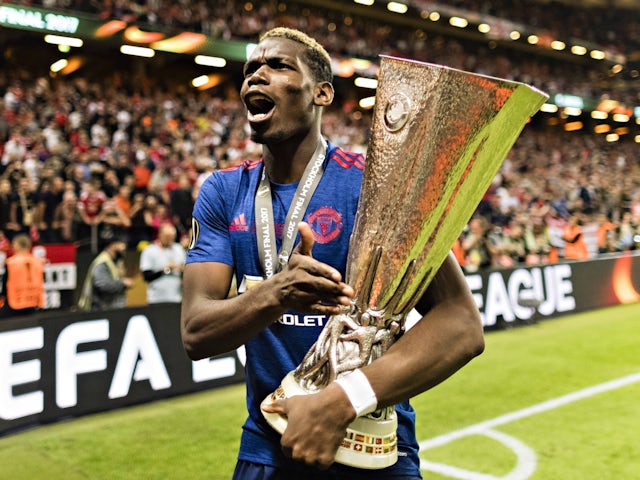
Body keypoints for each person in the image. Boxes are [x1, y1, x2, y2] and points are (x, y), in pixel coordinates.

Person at [180, 27, 484, 480]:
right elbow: (195, 333)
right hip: (269, 445)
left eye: (277, 66)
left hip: (372, 447)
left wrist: (341, 402)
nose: (254, 78)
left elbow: (460, 324)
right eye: (250, 70)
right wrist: (277, 293)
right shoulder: (223, 192)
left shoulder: (377, 186)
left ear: (322, 91)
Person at [77, 237, 133, 311]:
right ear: (112, 245)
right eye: (121, 243)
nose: (124, 247)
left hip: (112, 308)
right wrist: (122, 283)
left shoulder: (115, 261)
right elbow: (103, 284)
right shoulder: (102, 263)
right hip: (102, 309)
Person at [139, 223, 186, 304]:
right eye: (167, 237)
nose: (170, 240)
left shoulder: (179, 249)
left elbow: (186, 270)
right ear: (160, 235)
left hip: (177, 298)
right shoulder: (149, 250)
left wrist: (180, 268)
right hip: (157, 299)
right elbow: (146, 276)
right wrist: (165, 270)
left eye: (172, 237)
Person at [3, 233, 45, 316]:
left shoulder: (11, 262)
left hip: (16, 302)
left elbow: (5, 283)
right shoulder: (38, 262)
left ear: (17, 245)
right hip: (35, 303)